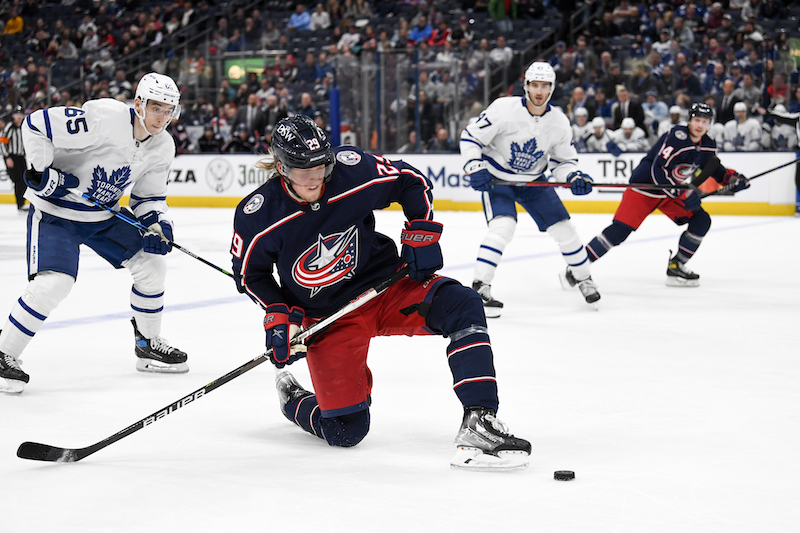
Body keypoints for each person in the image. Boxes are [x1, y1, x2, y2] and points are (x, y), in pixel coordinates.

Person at [230, 114, 531, 470]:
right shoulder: (258, 215)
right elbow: (250, 275)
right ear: (280, 167)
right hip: (328, 318)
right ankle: (294, 399)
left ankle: (480, 419)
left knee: (463, 304)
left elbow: (410, 181)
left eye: (321, 167)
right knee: (344, 430)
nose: (315, 178)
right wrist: (279, 314)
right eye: (302, 170)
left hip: (387, 288)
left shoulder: (350, 171)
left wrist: (421, 230)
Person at [0, 73, 189, 395]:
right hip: (56, 214)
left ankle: (147, 343)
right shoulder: (106, 117)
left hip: (103, 215)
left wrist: (157, 225)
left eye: (169, 110)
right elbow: (35, 124)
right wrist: (40, 172)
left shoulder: (163, 145)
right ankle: (5, 352)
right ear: (139, 103)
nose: (163, 117)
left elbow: (148, 198)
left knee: (152, 265)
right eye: (156, 107)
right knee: (54, 283)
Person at [460, 61, 600, 316]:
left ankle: (583, 278)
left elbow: (563, 162)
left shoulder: (559, 121)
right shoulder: (504, 108)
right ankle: (480, 287)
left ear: (552, 88)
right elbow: (471, 137)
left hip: (534, 181)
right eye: (534, 85)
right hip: (498, 180)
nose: (539, 90)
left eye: (544, 85)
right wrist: (473, 165)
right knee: (503, 227)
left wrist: (574, 176)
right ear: (526, 86)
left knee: (565, 229)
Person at [585, 103, 750, 287]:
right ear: (689, 120)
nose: (700, 125)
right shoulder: (677, 137)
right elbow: (658, 169)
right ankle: (579, 267)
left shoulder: (707, 144)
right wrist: (680, 192)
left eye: (705, 121)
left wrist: (733, 178)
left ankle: (676, 266)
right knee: (619, 232)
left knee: (701, 220)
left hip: (670, 191)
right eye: (697, 120)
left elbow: (714, 169)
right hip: (644, 188)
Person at [1, 106, 28, 211]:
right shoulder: (9, 127)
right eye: (17, 114)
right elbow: (2, 142)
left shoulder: (24, 127)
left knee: (25, 180)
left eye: (21, 114)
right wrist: (7, 157)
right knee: (18, 181)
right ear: (13, 116)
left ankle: (21, 202)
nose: (19, 116)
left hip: (21, 157)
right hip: (12, 156)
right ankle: (20, 204)